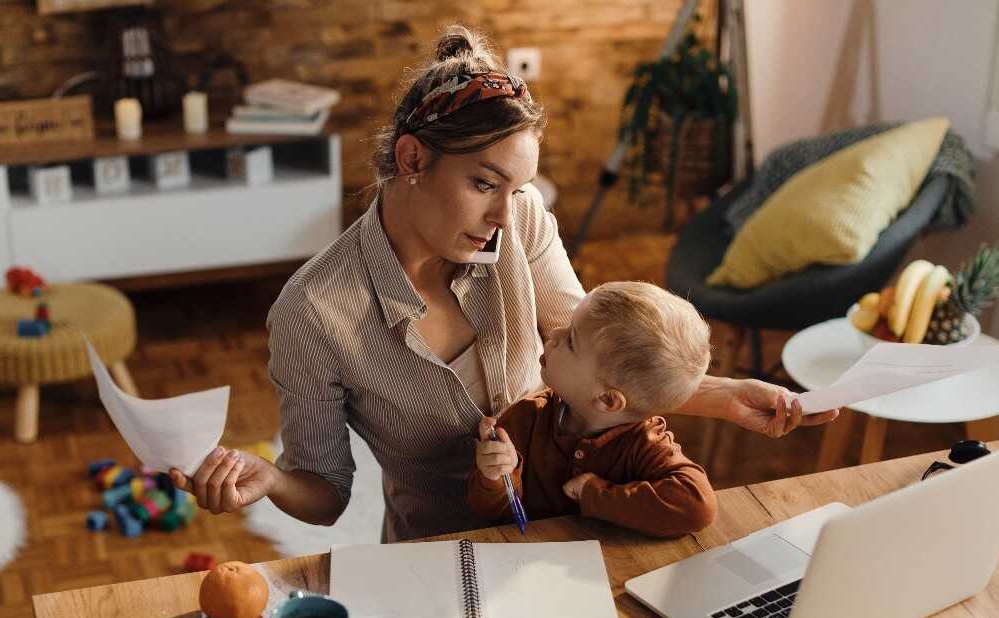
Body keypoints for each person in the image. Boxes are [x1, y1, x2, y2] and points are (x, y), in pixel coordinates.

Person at [171, 26, 838, 542]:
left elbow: (600, 352)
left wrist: (720, 397)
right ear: (412, 159)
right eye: (484, 183)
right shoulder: (314, 313)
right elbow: (327, 492)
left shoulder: (518, 218)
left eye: (515, 188)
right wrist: (273, 482)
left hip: (569, 537)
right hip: (439, 556)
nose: (503, 214)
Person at [468, 281, 717, 537]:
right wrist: (495, 477)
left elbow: (698, 506)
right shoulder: (524, 419)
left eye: (571, 341)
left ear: (608, 400)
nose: (554, 333)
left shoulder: (647, 443)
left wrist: (595, 494)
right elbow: (490, 512)